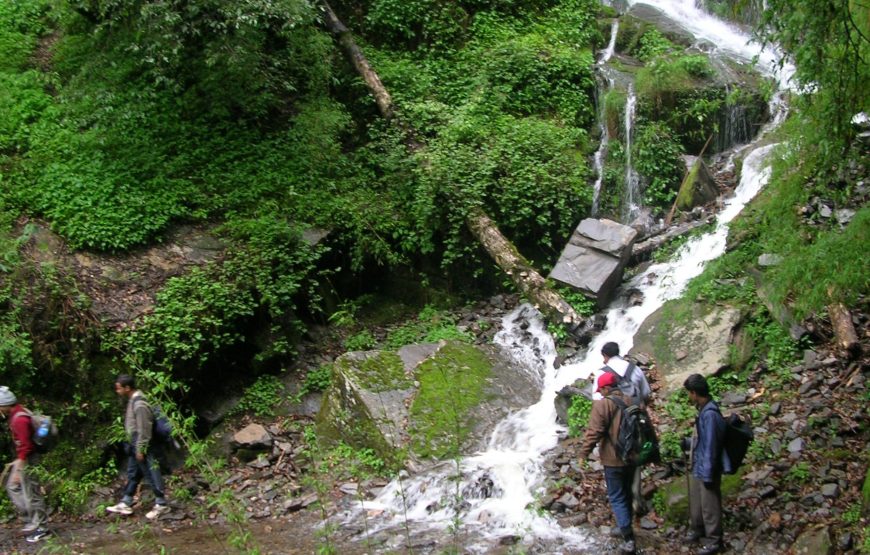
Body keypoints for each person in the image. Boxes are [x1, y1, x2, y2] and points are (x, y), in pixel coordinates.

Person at [578, 372, 636, 555]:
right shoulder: (631, 400)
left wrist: (583, 454)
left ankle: (628, 538)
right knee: (627, 492)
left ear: (605, 388)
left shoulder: (602, 405)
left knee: (617, 496)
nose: (600, 393)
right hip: (633, 457)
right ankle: (625, 525)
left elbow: (595, 431)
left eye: (601, 390)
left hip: (613, 458)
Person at [592, 342, 653, 516]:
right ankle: (636, 498)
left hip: (613, 428)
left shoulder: (601, 374)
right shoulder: (634, 369)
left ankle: (622, 507)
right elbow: (646, 394)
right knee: (635, 460)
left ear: (605, 356)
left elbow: (597, 403)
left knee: (616, 462)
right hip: (636, 421)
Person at [106, 375, 170, 519]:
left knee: (151, 472)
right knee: (133, 472)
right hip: (135, 443)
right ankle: (126, 502)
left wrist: (141, 448)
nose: (117, 391)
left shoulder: (140, 404)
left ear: (127, 388)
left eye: (119, 388)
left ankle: (161, 504)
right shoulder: (133, 400)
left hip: (145, 444)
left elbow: (144, 428)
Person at [684, 373, 730, 555]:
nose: (689, 396)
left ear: (695, 393)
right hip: (700, 463)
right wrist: (688, 443)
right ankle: (698, 529)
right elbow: (703, 440)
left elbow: (711, 445)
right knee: (697, 502)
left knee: (710, 505)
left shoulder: (710, 414)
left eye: (689, 393)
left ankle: (714, 540)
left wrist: (709, 473)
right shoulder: (703, 410)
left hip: (707, 466)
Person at [0, 386, 50, 543]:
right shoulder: (18, 412)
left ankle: (42, 528)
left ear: (5, 405)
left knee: (33, 493)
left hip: (29, 459)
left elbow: (26, 445)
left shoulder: (19, 419)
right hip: (24, 457)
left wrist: (18, 467)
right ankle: (31, 520)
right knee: (13, 487)